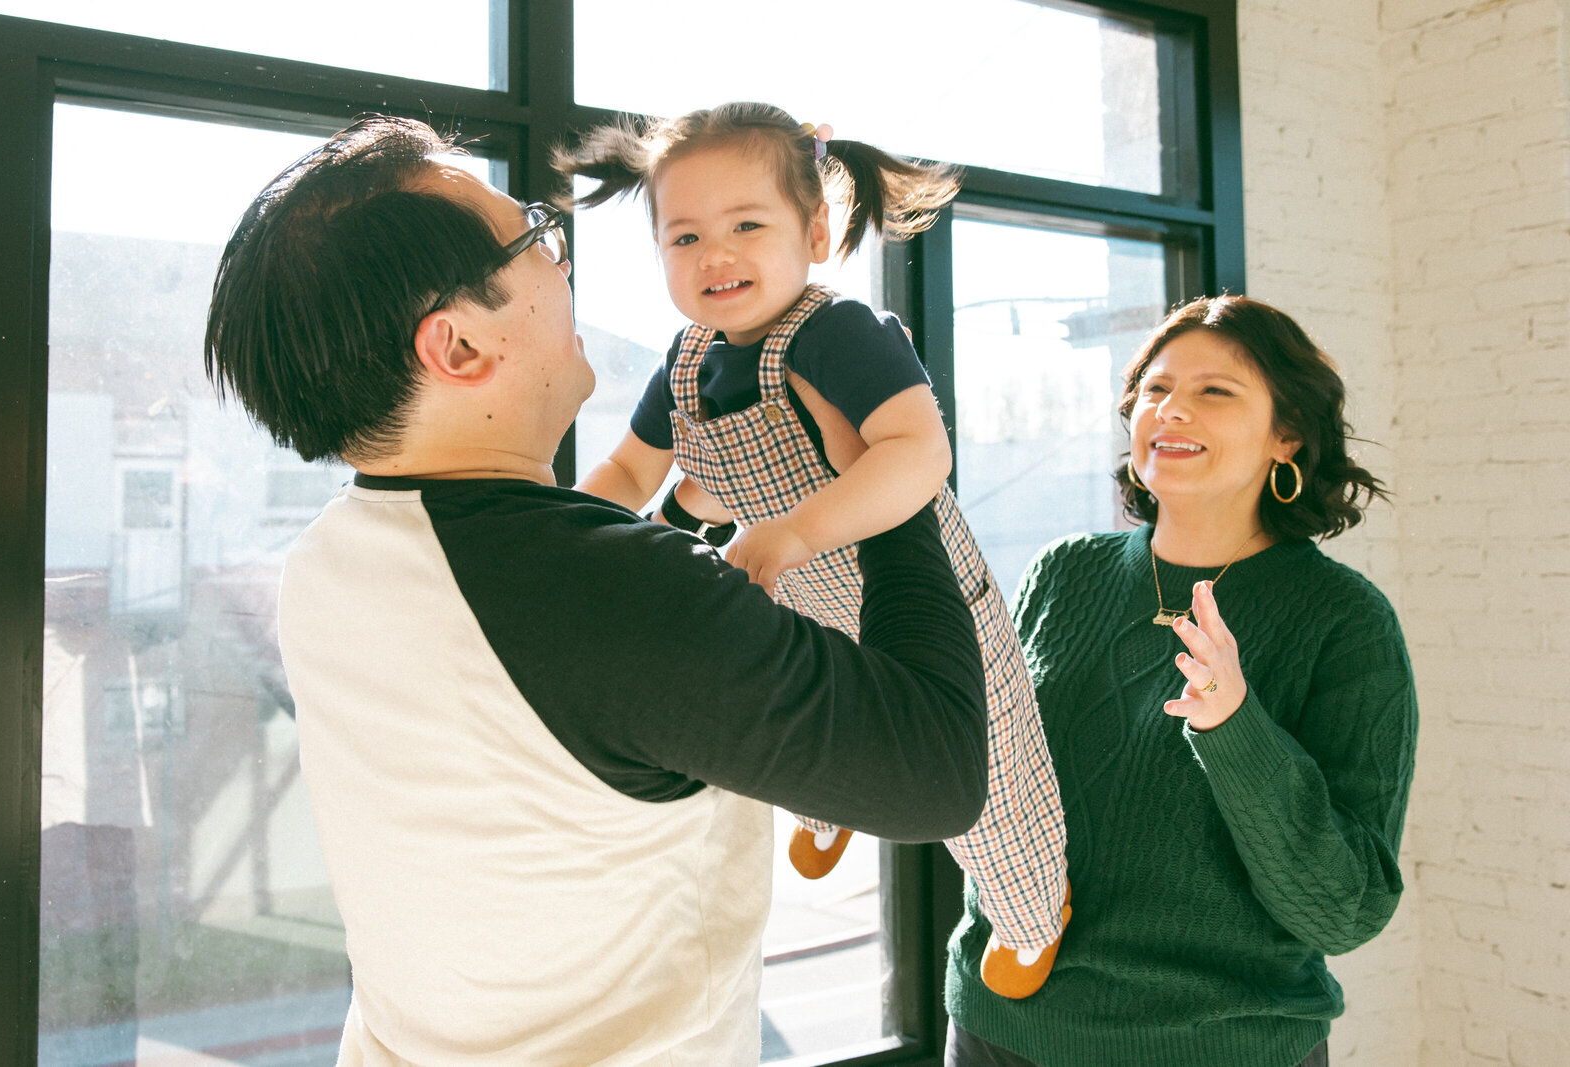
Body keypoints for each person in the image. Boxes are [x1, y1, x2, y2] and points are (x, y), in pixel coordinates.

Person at [202, 114, 993, 1067]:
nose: (564, 263)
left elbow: (557, 689)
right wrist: (884, 479)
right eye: (535, 238)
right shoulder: (619, 594)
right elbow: (939, 769)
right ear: (457, 346)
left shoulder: (327, 562)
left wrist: (689, 512)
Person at [553, 101, 1069, 998]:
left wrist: (793, 531)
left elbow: (920, 453)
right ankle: (828, 811)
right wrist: (562, 534)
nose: (715, 255)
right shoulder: (687, 359)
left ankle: (1033, 907)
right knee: (801, 727)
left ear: (817, 232)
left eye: (747, 226)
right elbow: (631, 468)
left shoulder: (840, 333)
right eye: (684, 237)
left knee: (990, 772)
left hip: (929, 600)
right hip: (801, 599)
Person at [943, 295, 1419, 1067]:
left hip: (1222, 1048)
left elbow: (1346, 910)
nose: (1170, 409)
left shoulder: (1345, 621)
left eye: (1214, 390)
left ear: (1288, 434)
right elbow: (992, 780)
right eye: (1156, 389)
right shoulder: (1065, 573)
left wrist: (1235, 727)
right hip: (1001, 1029)